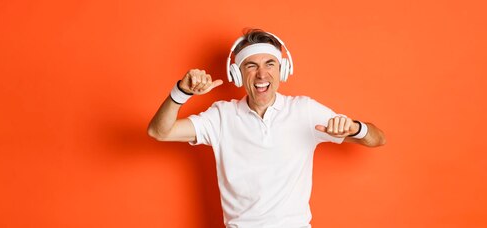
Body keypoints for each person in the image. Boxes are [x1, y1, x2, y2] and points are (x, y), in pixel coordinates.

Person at [147, 28, 386, 228]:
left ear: (282, 69)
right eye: (251, 66)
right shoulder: (221, 116)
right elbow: (159, 131)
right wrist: (181, 92)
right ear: (237, 74)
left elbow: (377, 139)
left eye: (269, 63)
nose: (262, 73)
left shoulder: (304, 111)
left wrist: (355, 128)